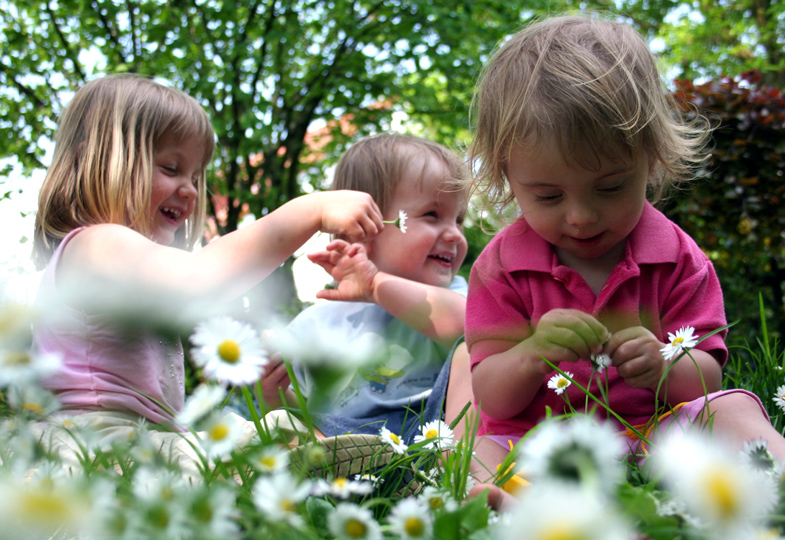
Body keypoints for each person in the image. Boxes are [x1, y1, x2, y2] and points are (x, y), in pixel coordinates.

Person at [463, 15, 785, 489]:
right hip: (540, 445)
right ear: (508, 180)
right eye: (549, 197)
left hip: (657, 438)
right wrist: (532, 354)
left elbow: (708, 378)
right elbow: (492, 398)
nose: (581, 216)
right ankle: (507, 504)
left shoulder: (677, 256)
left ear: (651, 159)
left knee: (731, 407)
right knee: (480, 450)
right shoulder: (501, 268)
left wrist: (664, 364)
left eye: (610, 187)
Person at [30, 74, 384, 468]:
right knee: (276, 434)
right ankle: (364, 480)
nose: (190, 190)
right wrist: (311, 209)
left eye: (195, 176)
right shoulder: (95, 244)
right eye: (170, 167)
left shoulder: (117, 265)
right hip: (97, 445)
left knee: (279, 432)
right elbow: (201, 277)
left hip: (136, 441)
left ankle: (354, 481)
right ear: (95, 160)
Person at [267, 133, 474, 444]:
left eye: (458, 220)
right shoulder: (317, 323)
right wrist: (274, 394)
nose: (455, 235)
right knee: (280, 426)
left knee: (477, 353)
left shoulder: (454, 297)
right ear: (358, 229)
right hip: (342, 445)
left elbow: (471, 328)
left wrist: (376, 285)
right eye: (432, 215)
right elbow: (305, 412)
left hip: (430, 438)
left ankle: (464, 473)